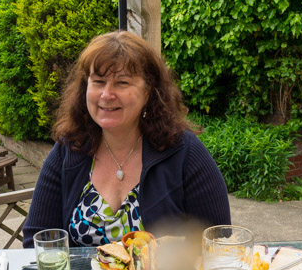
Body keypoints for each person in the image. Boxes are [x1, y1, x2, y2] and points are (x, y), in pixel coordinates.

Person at [23, 30, 231, 247]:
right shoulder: (69, 149)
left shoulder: (184, 152)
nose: (106, 94)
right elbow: (37, 240)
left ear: (148, 91)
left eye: (122, 82)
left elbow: (220, 243)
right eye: (98, 81)